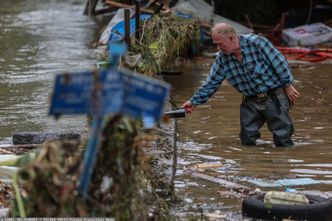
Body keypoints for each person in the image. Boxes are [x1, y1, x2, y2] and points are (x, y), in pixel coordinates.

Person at [181, 23, 300, 147]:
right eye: (215, 44)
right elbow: (211, 83)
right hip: (250, 100)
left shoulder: (257, 42)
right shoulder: (222, 59)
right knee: (246, 137)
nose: (217, 48)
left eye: (219, 44)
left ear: (231, 37)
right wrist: (194, 101)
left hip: (273, 95)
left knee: (282, 137)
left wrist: (287, 84)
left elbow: (279, 62)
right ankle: (251, 163)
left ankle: (283, 162)